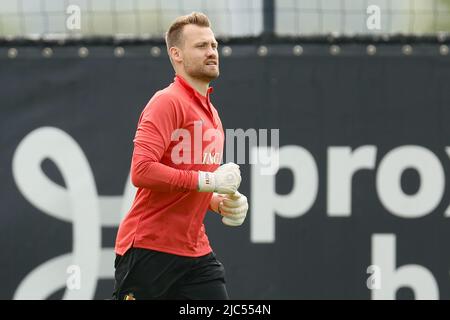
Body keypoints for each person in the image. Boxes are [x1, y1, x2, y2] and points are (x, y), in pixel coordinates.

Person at [113, 12, 249, 300]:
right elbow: (142, 171)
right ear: (176, 54)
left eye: (213, 45)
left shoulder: (213, 115)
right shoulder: (166, 102)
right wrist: (209, 181)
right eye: (201, 46)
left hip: (196, 254)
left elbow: (193, 183)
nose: (212, 52)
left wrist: (217, 202)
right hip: (150, 250)